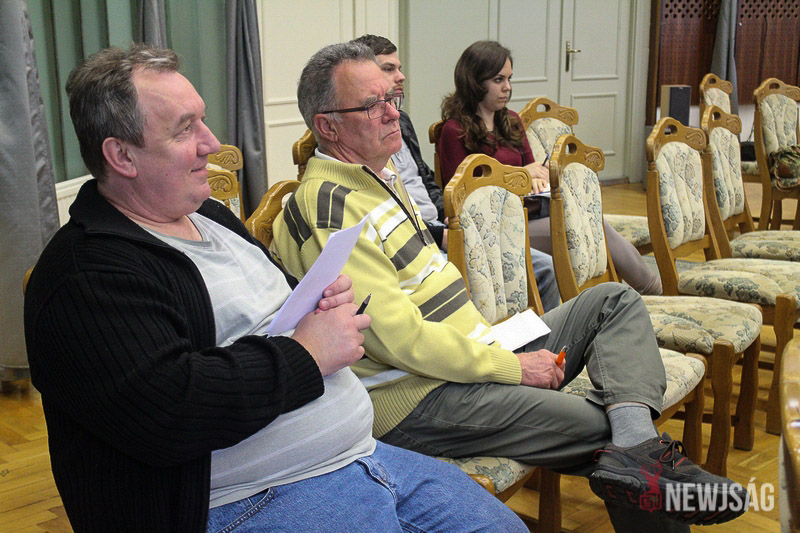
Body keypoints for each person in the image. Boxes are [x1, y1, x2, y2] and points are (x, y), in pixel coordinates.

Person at [23, 44, 529, 533]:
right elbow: (169, 409)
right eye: (185, 129)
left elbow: (277, 311)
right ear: (122, 155)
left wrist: (320, 305)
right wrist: (306, 353)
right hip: (248, 499)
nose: (211, 143)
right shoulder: (86, 273)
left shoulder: (209, 216)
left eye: (203, 120)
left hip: (361, 457)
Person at [272, 40, 748, 531]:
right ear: (328, 126)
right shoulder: (330, 206)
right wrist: (512, 367)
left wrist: (496, 352)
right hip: (417, 396)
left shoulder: (379, 177)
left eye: (392, 99)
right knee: (609, 431)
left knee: (613, 301)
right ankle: (637, 454)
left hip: (468, 358)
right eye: (373, 105)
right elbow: (400, 340)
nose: (393, 113)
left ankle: (637, 450)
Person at [353, 34, 560, 312]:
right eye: (389, 69)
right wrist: (444, 230)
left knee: (546, 265)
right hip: (422, 236)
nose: (401, 76)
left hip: (449, 223)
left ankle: (540, 335)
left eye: (399, 68)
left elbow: (427, 181)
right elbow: (384, 209)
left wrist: (450, 218)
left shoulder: (403, 121)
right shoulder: (360, 137)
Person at [438, 40, 663, 297]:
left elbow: (535, 170)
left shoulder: (511, 120)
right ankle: (650, 292)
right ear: (475, 81)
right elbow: (461, 196)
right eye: (498, 80)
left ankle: (639, 293)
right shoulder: (454, 130)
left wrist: (535, 177)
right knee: (586, 227)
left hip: (533, 211)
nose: (507, 87)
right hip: (496, 227)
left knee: (590, 222)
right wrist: (522, 176)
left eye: (509, 79)